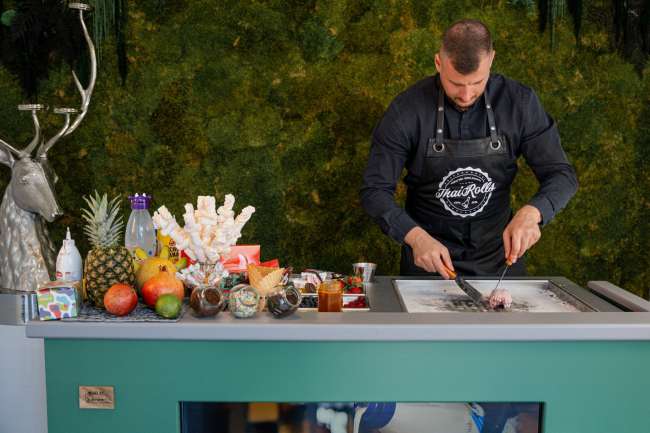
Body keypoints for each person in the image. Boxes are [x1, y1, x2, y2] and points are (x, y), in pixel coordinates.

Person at [360, 19, 578, 305]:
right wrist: (414, 237)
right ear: (438, 63)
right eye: (455, 83)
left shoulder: (519, 103)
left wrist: (533, 212)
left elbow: (562, 175)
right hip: (427, 269)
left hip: (500, 267)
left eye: (477, 83)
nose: (466, 95)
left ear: (492, 61)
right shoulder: (406, 110)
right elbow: (374, 190)